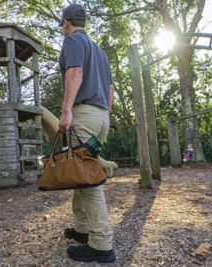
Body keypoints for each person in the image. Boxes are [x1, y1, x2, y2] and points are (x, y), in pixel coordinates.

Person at [58, 3, 116, 263]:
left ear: (67, 21)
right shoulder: (100, 51)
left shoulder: (73, 40)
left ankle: (102, 245)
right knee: (81, 174)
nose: (62, 27)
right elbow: (111, 89)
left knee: (90, 182)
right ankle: (82, 229)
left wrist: (66, 110)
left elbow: (75, 73)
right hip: (102, 115)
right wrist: (105, 114)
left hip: (84, 114)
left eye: (62, 23)